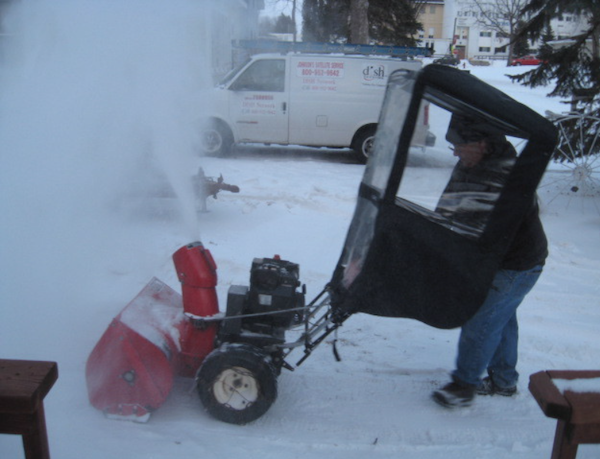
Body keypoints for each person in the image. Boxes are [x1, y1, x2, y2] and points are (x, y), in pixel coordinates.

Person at [432, 114, 548, 408]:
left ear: (482, 144)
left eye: (459, 145)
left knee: (480, 322)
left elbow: (484, 229)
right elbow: (450, 205)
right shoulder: (472, 164)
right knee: (503, 318)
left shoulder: (508, 174)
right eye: (452, 147)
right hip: (500, 260)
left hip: (516, 264)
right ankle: (504, 380)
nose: (455, 152)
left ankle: (463, 386)